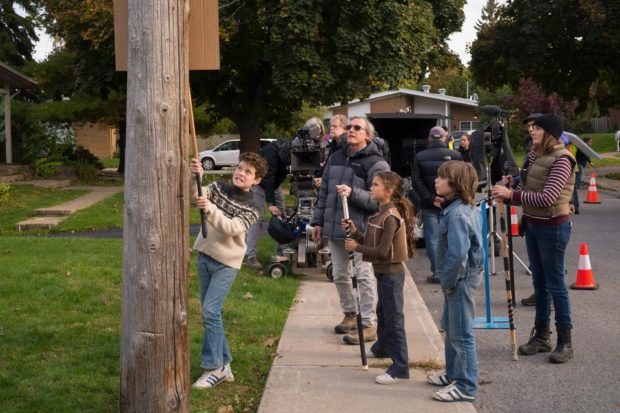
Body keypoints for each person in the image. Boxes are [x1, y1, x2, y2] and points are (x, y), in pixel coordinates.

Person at [492, 114, 576, 364]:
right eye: (531, 126)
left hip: (554, 227)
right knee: (539, 283)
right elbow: (529, 181)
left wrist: (512, 195)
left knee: (555, 285)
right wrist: (514, 182)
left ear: (549, 132)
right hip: (533, 224)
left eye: (537, 127)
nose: (531, 130)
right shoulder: (534, 154)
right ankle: (541, 336)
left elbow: (547, 198)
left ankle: (565, 342)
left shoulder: (563, 160)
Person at [190, 152, 268, 389]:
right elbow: (196, 195)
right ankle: (225, 364)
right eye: (240, 168)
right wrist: (195, 176)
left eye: (248, 172)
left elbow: (232, 228)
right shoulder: (218, 187)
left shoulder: (253, 206)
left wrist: (210, 208)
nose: (241, 173)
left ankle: (214, 367)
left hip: (226, 264)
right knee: (210, 314)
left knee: (210, 311)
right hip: (205, 256)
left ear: (256, 180)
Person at [311, 116, 390, 345]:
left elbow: (380, 200)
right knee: (339, 274)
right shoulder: (336, 157)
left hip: (362, 230)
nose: (351, 130)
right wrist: (318, 222)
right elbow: (324, 192)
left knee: (364, 276)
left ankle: (367, 324)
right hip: (335, 226)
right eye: (348, 127)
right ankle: (350, 314)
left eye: (357, 128)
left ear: (368, 135)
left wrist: (353, 192)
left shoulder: (377, 163)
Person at [342, 171, 415, 385]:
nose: (371, 188)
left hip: (391, 275)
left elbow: (382, 252)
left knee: (394, 320)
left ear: (388, 191)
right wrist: (356, 233)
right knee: (383, 313)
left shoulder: (390, 216)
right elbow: (374, 243)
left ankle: (400, 367)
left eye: (375, 185)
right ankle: (382, 348)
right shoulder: (381, 213)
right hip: (383, 274)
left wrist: (356, 247)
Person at [427, 161, 484, 403]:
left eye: (442, 178)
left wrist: (448, 281)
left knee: (461, 334)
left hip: (460, 279)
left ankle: (466, 386)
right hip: (458, 278)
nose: (436, 181)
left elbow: (458, 254)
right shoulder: (456, 208)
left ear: (455, 184)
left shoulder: (458, 214)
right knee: (451, 327)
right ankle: (452, 373)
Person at [244, 117, 324, 270]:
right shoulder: (270, 153)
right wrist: (271, 204)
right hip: (258, 185)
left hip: (276, 186)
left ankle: (282, 252)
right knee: (257, 218)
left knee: (283, 219)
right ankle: (250, 255)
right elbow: (268, 179)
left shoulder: (293, 148)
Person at [411, 126, 462, 284]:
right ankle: (453, 271)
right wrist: (448, 198)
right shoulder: (456, 155)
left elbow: (416, 181)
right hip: (452, 204)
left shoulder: (419, 156)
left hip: (430, 204)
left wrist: (431, 198)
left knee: (433, 239)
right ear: (445, 138)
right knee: (453, 236)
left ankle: (438, 272)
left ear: (429, 139)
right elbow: (461, 180)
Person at [571, 137, 592, 214]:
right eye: (590, 142)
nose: (591, 143)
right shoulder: (578, 148)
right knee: (573, 187)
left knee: (573, 187)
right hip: (576, 167)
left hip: (574, 168)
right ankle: (575, 207)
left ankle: (575, 207)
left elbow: (586, 156)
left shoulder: (574, 147)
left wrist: (590, 161)